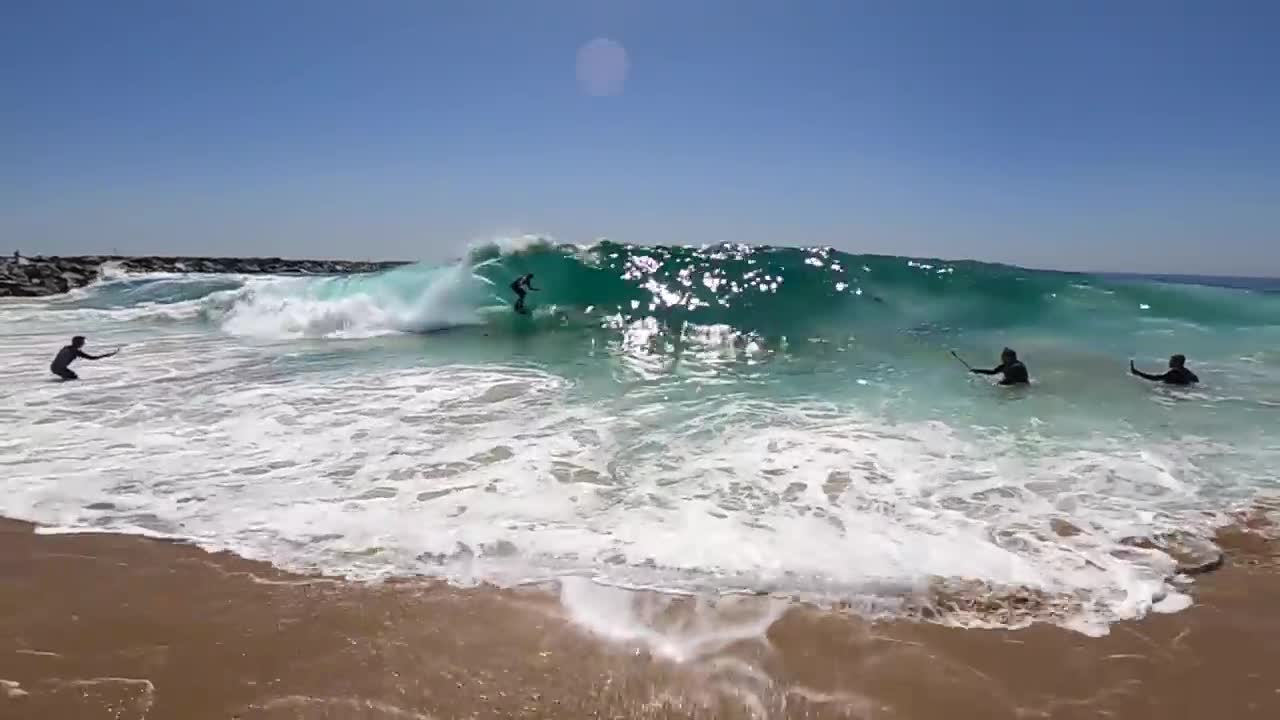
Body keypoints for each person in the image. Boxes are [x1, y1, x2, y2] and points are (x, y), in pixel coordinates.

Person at [50, 336, 116, 380]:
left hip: (54, 367)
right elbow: (92, 358)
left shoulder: (66, 348)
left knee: (70, 378)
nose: (84, 343)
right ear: (78, 343)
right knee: (74, 378)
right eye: (83, 342)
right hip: (59, 368)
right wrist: (105, 355)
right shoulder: (75, 351)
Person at [1131, 355, 1199, 386]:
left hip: (1175, 394)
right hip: (1183, 392)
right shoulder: (1187, 372)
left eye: (1172, 361)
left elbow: (1155, 378)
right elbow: (1196, 380)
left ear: (1177, 363)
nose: (1169, 362)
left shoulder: (1173, 373)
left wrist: (1137, 373)